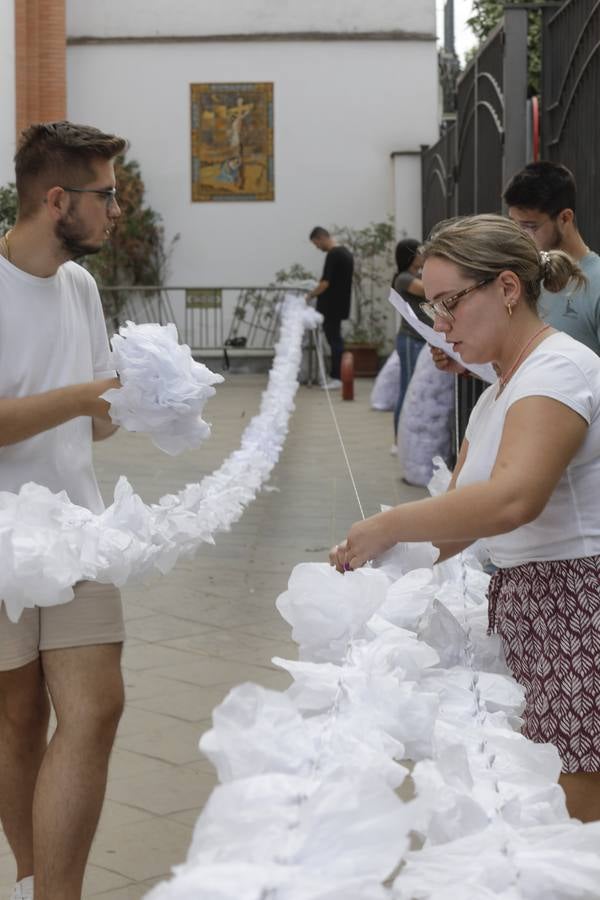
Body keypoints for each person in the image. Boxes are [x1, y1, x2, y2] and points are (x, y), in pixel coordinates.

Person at [331, 214, 600, 823]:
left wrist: (393, 523)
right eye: (432, 310)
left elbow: (512, 499)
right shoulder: (499, 392)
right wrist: (372, 565)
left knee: (575, 823)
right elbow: (459, 525)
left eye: (449, 304)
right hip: (535, 611)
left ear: (507, 289)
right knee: (545, 812)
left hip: (580, 611)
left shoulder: (558, 372)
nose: (441, 325)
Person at [0, 121, 126, 900]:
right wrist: (82, 399)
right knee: (15, 718)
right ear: (56, 200)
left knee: (99, 707)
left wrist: (145, 398)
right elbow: (78, 399)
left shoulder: (81, 285)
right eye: (105, 195)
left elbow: (101, 414)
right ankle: (29, 877)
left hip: (78, 528)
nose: (116, 209)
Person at [432, 160, 600, 373]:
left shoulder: (596, 282)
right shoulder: (524, 274)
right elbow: (518, 360)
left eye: (529, 225)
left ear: (565, 218)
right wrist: (468, 362)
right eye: (514, 224)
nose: (520, 234)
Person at [390, 239, 427, 453]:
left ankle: (406, 438)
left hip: (420, 339)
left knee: (414, 388)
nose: (423, 255)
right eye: (421, 252)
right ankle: (397, 439)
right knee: (407, 388)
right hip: (410, 339)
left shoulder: (418, 275)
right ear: (410, 255)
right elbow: (427, 291)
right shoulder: (404, 278)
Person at [306, 226, 354, 389]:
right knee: (336, 340)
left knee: (334, 341)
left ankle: (336, 377)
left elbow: (325, 282)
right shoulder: (346, 253)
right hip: (340, 305)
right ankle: (338, 375)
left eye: (316, 243)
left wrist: (310, 295)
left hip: (331, 306)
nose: (317, 247)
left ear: (321, 238)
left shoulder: (333, 254)